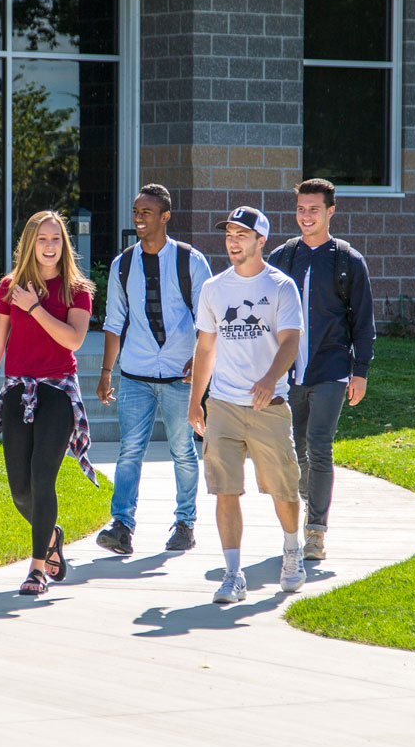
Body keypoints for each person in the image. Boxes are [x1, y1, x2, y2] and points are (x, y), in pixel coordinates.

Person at [0, 210, 98, 596]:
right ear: (29, 243)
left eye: (56, 239)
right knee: (20, 490)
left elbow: (73, 340)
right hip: (16, 391)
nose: (49, 246)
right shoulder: (10, 287)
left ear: (64, 245)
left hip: (58, 393)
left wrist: (35, 308)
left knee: (43, 479)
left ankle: (37, 569)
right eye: (42, 239)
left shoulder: (77, 289)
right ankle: (51, 534)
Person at [187, 206, 306, 603]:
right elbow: (205, 348)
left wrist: (270, 379)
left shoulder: (280, 287)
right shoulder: (214, 289)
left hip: (268, 406)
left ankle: (292, 552)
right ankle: (233, 573)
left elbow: (290, 340)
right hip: (223, 404)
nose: (233, 241)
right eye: (229, 234)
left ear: (261, 241)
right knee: (225, 490)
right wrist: (196, 403)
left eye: (242, 234)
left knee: (283, 489)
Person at [96, 184, 212, 555]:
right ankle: (122, 526)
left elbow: (207, 320)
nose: (139, 217)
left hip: (181, 376)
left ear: (165, 216)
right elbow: (114, 322)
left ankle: (184, 523)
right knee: (130, 450)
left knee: (183, 450)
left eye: (147, 212)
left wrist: (199, 360)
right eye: (135, 211)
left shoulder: (190, 261)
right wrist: (105, 372)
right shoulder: (122, 264)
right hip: (135, 374)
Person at [267, 178, 376, 561]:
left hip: (332, 369)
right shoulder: (281, 258)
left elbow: (363, 322)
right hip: (288, 372)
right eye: (300, 208)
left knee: (320, 446)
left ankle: (315, 530)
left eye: (314, 209)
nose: (306, 216)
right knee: (294, 452)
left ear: (331, 211)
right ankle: (308, 499)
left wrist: (360, 371)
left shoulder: (348, 261)